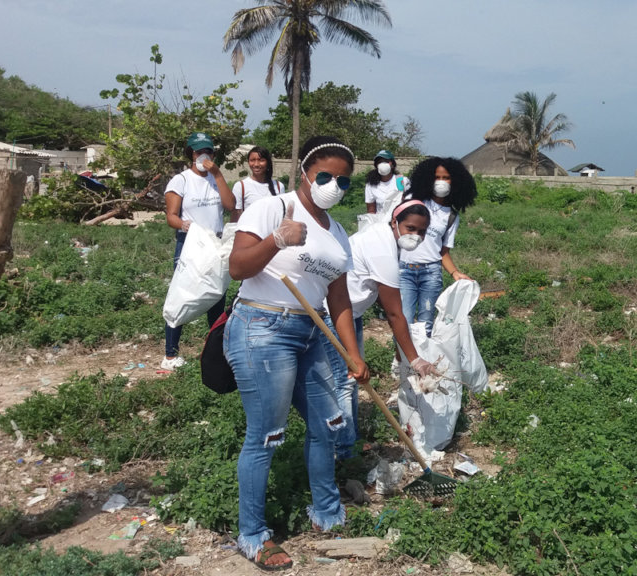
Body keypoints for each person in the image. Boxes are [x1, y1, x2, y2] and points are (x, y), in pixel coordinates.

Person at [224, 136, 370, 571]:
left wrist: (352, 353)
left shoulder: (339, 233)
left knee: (330, 423)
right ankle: (253, 535)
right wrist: (278, 239)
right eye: (325, 176)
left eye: (343, 181)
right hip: (262, 327)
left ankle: (326, 514)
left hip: (311, 332)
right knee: (266, 436)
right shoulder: (273, 207)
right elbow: (237, 268)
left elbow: (338, 300)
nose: (333, 185)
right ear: (305, 172)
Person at [321, 200, 443, 460]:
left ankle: (347, 440)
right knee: (346, 381)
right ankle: (343, 452)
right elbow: (394, 313)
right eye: (410, 228)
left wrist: (404, 349)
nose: (416, 236)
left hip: (349, 313)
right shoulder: (381, 247)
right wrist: (415, 359)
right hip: (332, 314)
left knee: (350, 380)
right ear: (394, 222)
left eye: (421, 231)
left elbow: (380, 293)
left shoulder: (385, 240)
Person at [161, 132, 235, 370]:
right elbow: (171, 216)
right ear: (191, 154)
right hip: (190, 244)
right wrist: (185, 225)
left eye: (208, 151)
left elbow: (230, 205)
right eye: (198, 151)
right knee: (182, 295)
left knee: (216, 296)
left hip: (215, 244)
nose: (203, 155)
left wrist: (218, 174)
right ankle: (170, 355)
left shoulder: (216, 178)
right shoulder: (180, 180)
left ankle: (215, 352)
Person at [401, 157, 477, 336]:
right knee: (403, 320)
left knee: (426, 323)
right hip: (404, 271)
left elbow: (443, 251)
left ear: (455, 181)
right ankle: (402, 361)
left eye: (446, 178)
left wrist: (455, 273)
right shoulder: (413, 202)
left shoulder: (451, 216)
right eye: (437, 177)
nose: (441, 182)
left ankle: (422, 360)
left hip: (431, 273)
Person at [231, 146, 284, 221]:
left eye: (261, 160)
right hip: (249, 231)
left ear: (268, 162)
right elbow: (236, 216)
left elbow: (280, 215)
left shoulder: (279, 186)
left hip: (273, 232)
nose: (256, 164)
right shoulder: (241, 186)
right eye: (252, 160)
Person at [364, 150, 410, 216]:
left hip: (400, 221)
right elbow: (371, 211)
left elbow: (411, 204)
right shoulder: (371, 185)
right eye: (380, 162)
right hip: (382, 223)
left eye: (386, 161)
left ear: (392, 164)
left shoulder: (401, 181)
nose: (383, 164)